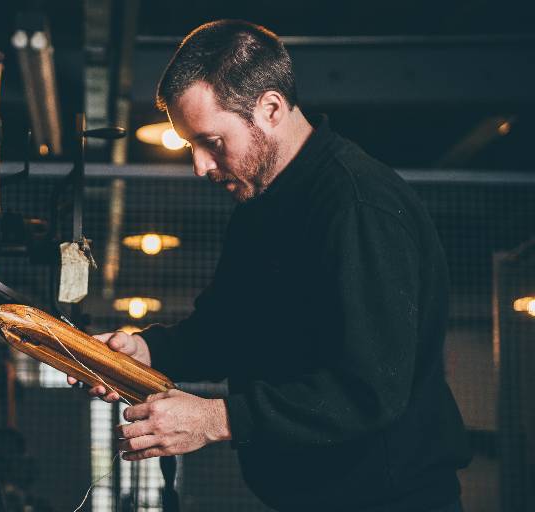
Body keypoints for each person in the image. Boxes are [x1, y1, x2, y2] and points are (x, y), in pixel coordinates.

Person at [67, 19, 471, 512]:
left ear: (271, 108)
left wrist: (216, 419)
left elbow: (368, 391)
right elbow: (228, 332)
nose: (199, 165)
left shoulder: (358, 206)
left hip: (389, 500)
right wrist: (146, 350)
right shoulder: (260, 209)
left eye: (211, 141)